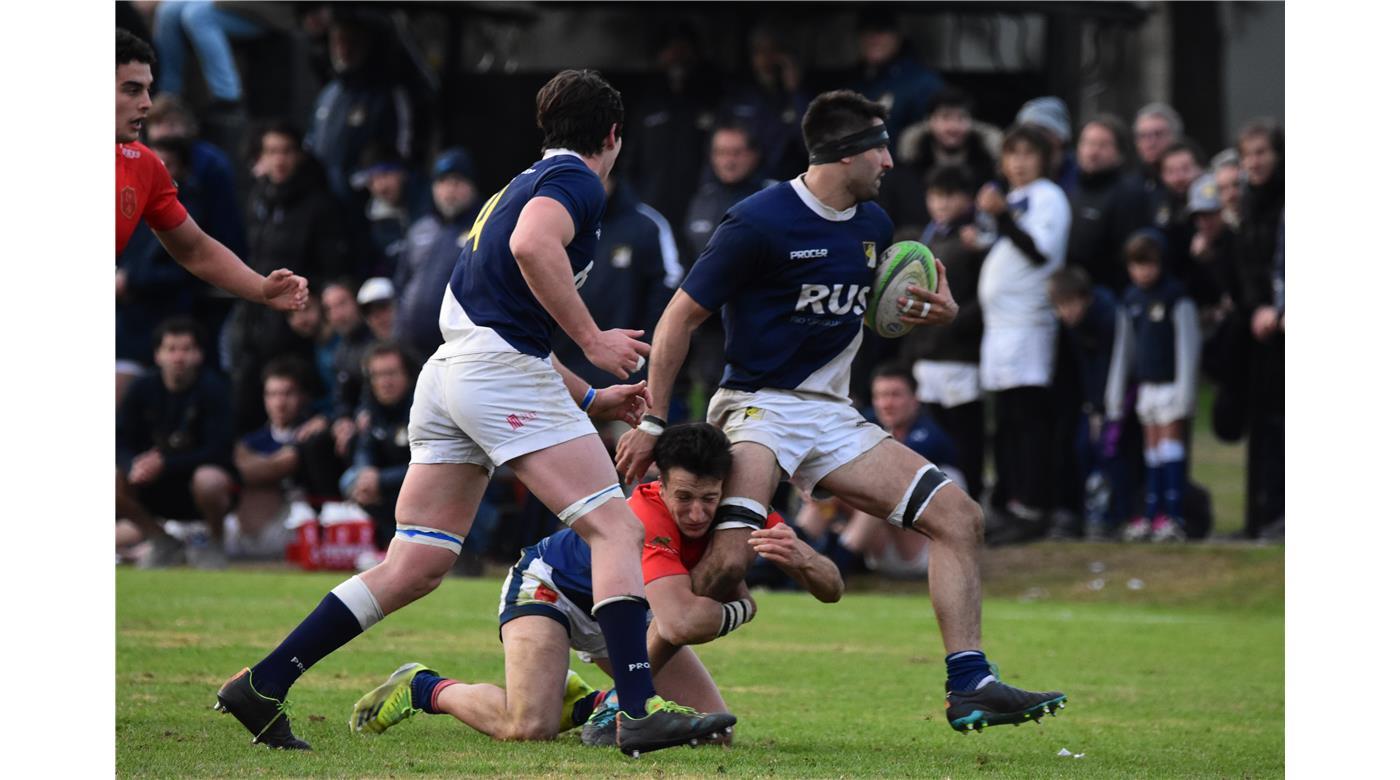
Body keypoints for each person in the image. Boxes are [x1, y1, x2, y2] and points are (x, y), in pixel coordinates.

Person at [215, 69, 735, 755]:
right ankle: (637, 711)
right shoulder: (579, 180)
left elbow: (498, 312)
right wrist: (592, 339)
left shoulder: (520, 183)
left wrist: (587, 395)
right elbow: (530, 250)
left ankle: (265, 682)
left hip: (452, 370)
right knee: (617, 531)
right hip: (493, 374)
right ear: (613, 135)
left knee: (414, 565)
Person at [616, 90, 1067, 734]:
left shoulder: (874, 227)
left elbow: (871, 315)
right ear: (843, 154)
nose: (889, 160)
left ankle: (969, 683)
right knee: (728, 564)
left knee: (959, 516)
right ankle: (623, 702)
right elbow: (677, 321)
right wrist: (655, 420)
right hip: (757, 409)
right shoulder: (756, 222)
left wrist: (929, 312)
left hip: (832, 415)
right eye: (879, 147)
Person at [348, 423, 838, 746]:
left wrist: (807, 558)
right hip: (553, 591)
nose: (697, 513)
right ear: (658, 483)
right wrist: (744, 608)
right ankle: (423, 686)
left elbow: (832, 587)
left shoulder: (736, 511)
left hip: (626, 616)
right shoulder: (645, 514)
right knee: (528, 727)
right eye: (683, 497)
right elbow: (682, 621)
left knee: (714, 736)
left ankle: (589, 703)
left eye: (709, 499)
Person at [116, 29, 307, 312]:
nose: (147, 103)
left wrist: (261, 289)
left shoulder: (144, 165)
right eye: (132, 89)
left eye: (147, 89)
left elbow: (195, 249)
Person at [975, 125, 1072, 535]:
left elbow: (1039, 252)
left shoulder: (1048, 197)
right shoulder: (1015, 199)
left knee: (1029, 418)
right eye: (1011, 154)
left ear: (1045, 158)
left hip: (1027, 325)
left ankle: (1032, 505)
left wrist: (1001, 217)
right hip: (1000, 329)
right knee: (1009, 420)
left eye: (1027, 154)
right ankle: (1009, 499)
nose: (1018, 163)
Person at [800, 365, 959, 579]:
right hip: (884, 546)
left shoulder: (929, 436)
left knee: (881, 491)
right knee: (824, 496)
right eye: (880, 396)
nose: (887, 404)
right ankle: (794, 562)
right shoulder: (871, 426)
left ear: (915, 399)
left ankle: (833, 567)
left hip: (924, 552)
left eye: (895, 395)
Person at [116, 317, 235, 570]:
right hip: (150, 485)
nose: (178, 357)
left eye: (186, 349)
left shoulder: (214, 389)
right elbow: (118, 439)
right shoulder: (141, 388)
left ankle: (214, 542)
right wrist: (132, 465)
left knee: (209, 479)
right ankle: (160, 540)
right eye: (171, 349)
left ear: (200, 354)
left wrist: (165, 464)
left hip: (197, 486)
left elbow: (221, 449)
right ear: (158, 355)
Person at [1106, 230, 1201, 543]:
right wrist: (1116, 393)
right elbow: (1124, 350)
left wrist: (1187, 392)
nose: (1143, 272)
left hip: (1172, 384)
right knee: (1152, 453)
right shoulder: (1130, 300)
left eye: (1148, 264)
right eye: (1137, 265)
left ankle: (1174, 516)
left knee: (1170, 447)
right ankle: (1152, 514)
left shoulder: (1175, 297)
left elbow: (1188, 345)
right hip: (1146, 387)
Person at [551, 175, 683, 391]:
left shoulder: (645, 224)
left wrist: (647, 350)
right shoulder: (552, 221)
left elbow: (668, 287)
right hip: (562, 375)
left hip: (627, 375)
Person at [904, 164, 987, 502]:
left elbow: (984, 297)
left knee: (965, 434)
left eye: (950, 196)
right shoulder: (927, 237)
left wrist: (953, 321)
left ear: (967, 199)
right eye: (935, 196)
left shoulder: (976, 238)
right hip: (927, 354)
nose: (941, 203)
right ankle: (936, 502)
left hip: (961, 356)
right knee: (932, 434)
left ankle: (972, 499)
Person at [1047, 267, 1128, 541]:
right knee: (1083, 448)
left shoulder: (1108, 316)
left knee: (1110, 451)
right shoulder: (1075, 326)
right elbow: (1086, 366)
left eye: (1067, 305)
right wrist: (1091, 406)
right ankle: (1091, 513)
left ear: (1083, 298)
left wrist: (1103, 408)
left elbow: (1109, 364)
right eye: (1058, 307)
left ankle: (1116, 516)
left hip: (1117, 398)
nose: (1063, 314)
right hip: (1093, 401)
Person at [395, 148, 481, 359]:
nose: (450, 190)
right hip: (411, 350)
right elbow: (402, 282)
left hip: (460, 350)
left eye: (457, 181)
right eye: (443, 182)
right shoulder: (421, 228)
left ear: (472, 186)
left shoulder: (485, 226)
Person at [338, 342, 416, 550]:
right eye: (378, 375)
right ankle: (387, 546)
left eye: (391, 373)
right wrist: (366, 472)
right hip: (385, 482)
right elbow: (365, 447)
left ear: (407, 375)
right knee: (351, 481)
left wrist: (380, 480)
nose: (385, 382)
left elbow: (433, 466)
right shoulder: (371, 407)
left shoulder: (422, 409)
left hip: (420, 482)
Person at [1067, 114, 1150, 294]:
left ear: (1120, 153)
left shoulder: (1129, 194)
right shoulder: (1070, 189)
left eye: (1102, 145)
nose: (1093, 152)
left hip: (1110, 297)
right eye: (1087, 143)